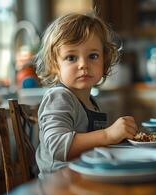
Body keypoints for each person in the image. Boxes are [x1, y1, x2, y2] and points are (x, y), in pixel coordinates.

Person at [35, 13, 138, 178]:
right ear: (55, 64)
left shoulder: (90, 101)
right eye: (71, 57)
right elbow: (59, 148)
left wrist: (119, 138)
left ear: (104, 61)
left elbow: (94, 145)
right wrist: (108, 135)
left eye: (93, 56)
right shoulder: (59, 97)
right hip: (58, 186)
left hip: (85, 178)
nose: (83, 64)